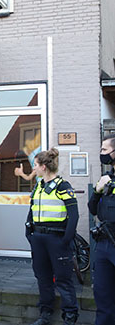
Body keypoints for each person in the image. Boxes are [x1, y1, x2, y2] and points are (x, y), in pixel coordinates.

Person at [26, 148, 79, 325]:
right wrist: (29, 231)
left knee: (63, 279)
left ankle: (70, 315)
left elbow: (74, 215)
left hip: (57, 239)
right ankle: (45, 312)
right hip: (39, 238)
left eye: (35, 166)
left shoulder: (63, 186)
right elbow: (32, 210)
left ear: (44, 167)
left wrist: (67, 239)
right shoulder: (38, 187)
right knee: (43, 277)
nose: (34, 169)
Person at [88, 134, 115, 325]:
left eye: (104, 150)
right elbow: (92, 209)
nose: (101, 154)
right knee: (103, 295)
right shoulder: (107, 179)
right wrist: (97, 191)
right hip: (105, 244)